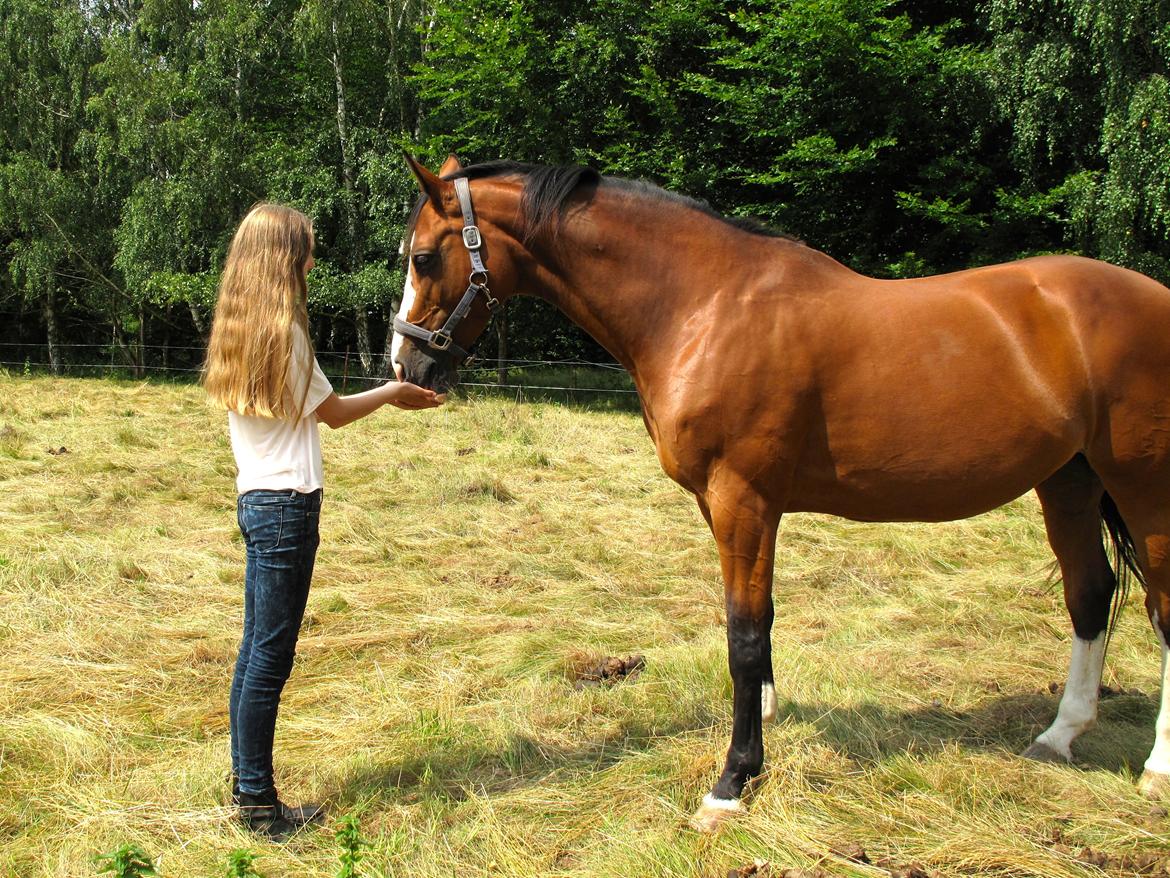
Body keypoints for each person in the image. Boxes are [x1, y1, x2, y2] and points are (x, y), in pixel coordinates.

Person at [202, 203, 442, 840]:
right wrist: (395, 392)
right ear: (284, 258)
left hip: (257, 500)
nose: (312, 261)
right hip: (287, 508)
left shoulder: (238, 329)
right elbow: (332, 414)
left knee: (255, 651)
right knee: (269, 657)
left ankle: (247, 788)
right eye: (306, 250)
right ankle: (257, 804)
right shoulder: (285, 334)